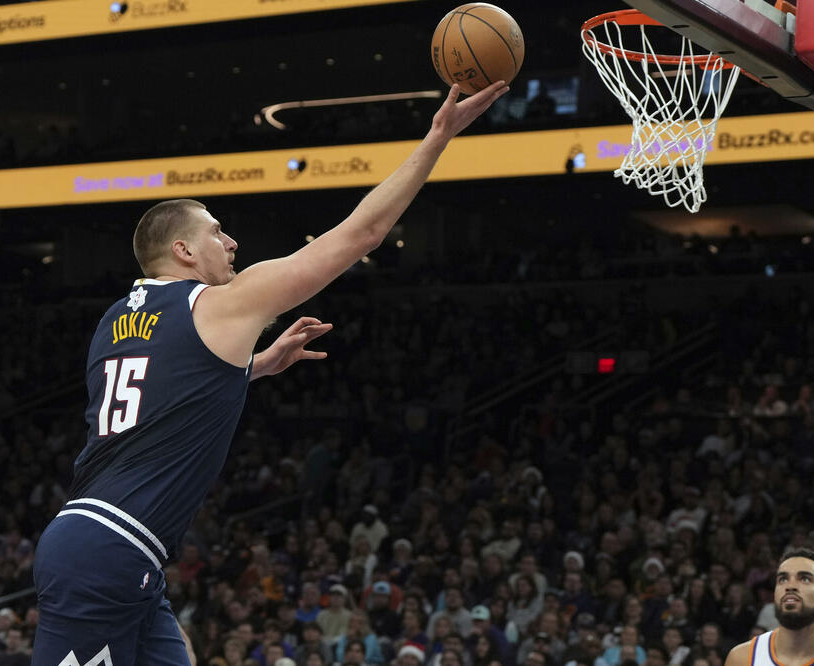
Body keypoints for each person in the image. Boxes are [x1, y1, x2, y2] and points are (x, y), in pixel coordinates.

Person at [30, 78, 510, 666]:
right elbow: (362, 235)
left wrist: (252, 367)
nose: (230, 242)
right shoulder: (217, 304)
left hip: (113, 549)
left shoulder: (113, 322)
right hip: (108, 549)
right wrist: (437, 138)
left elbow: (160, 400)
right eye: (215, 231)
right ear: (183, 250)